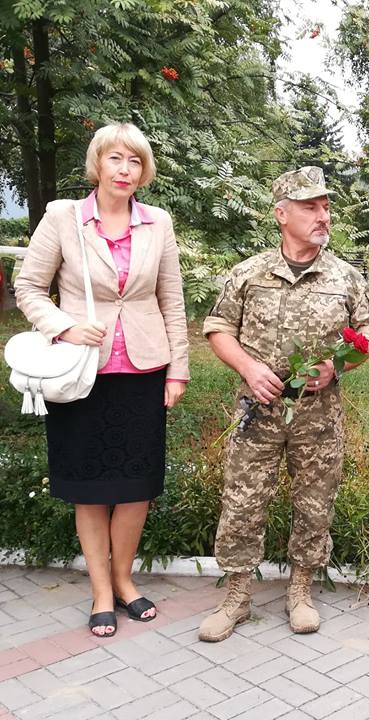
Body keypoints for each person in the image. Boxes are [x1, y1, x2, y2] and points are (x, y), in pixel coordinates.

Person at [15, 123, 189, 637]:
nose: (124, 170)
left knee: (136, 487)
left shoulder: (158, 223)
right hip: (78, 374)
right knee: (90, 488)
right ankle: (99, 593)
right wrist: (64, 326)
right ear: (98, 164)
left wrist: (178, 368)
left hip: (142, 370)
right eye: (116, 159)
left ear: (144, 171)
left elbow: (171, 301)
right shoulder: (63, 218)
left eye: (135, 162)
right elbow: (29, 288)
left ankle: (123, 581)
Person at [199, 166, 369, 642]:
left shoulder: (344, 277)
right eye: (310, 207)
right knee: (242, 500)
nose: (322, 216)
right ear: (282, 214)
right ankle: (237, 595)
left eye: (325, 207)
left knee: (315, 503)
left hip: (317, 417)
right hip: (257, 412)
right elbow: (218, 328)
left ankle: (301, 590)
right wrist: (247, 368)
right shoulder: (249, 273)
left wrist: (338, 366)